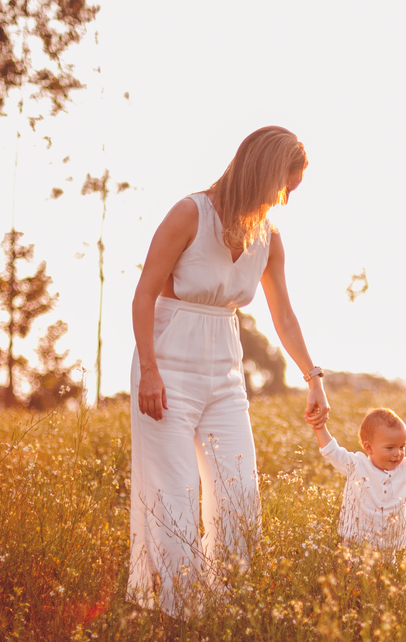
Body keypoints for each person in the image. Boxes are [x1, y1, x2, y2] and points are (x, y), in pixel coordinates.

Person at [130, 126, 328, 615]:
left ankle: (227, 609)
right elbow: (144, 294)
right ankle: (180, 618)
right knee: (176, 494)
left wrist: (313, 378)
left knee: (240, 496)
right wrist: (149, 371)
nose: (283, 201)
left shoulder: (268, 237)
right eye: (284, 187)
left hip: (225, 373)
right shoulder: (189, 214)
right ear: (262, 172)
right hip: (167, 366)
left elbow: (284, 316)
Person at [309, 407, 406, 557]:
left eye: (402, 447)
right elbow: (332, 451)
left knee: (387, 578)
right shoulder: (357, 465)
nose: (397, 453)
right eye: (390, 447)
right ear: (369, 448)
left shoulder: (405, 468)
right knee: (352, 578)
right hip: (355, 544)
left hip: (388, 547)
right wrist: (319, 426)